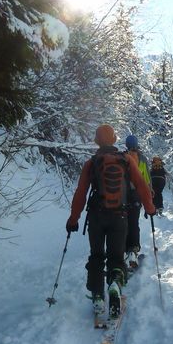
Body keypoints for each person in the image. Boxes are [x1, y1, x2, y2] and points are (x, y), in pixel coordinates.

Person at [66, 125, 155, 318]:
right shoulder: (126, 160)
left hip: (97, 217)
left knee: (96, 256)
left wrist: (73, 219)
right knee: (116, 257)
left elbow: (80, 193)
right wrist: (150, 208)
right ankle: (114, 285)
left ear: (97, 141)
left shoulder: (92, 162)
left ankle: (98, 296)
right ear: (115, 140)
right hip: (120, 217)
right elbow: (141, 186)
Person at [123, 134, 152, 269]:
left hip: (122, 196)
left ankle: (122, 251)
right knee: (134, 222)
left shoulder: (121, 157)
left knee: (122, 223)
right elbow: (146, 179)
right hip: (136, 196)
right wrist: (149, 199)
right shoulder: (142, 159)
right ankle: (133, 250)